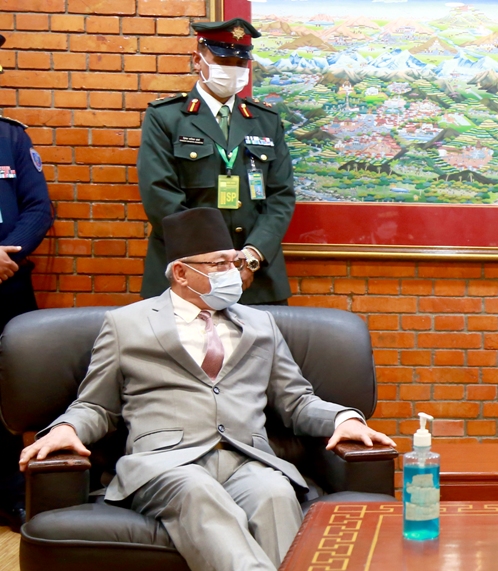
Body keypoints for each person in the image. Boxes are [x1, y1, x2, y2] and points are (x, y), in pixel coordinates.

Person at [19, 207, 394, 571]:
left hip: (247, 460)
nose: (234, 272)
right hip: (166, 463)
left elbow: (296, 400)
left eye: (235, 261)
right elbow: (96, 405)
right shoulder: (125, 324)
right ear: (182, 273)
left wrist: (343, 419)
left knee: (275, 493)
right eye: (219, 264)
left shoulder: (260, 325)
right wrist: (67, 428)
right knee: (199, 492)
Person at [138, 18, 294, 305]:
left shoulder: (266, 120)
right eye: (223, 60)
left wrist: (251, 256)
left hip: (256, 277)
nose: (232, 69)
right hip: (186, 273)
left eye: (240, 62)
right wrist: (215, 263)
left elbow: (281, 197)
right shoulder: (166, 117)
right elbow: (160, 196)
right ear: (198, 60)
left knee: (261, 337)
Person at [0, 32, 55, 531]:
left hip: (7, 283)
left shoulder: (11, 137)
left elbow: (39, 207)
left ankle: (11, 496)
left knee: (9, 394)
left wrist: (5, 255)